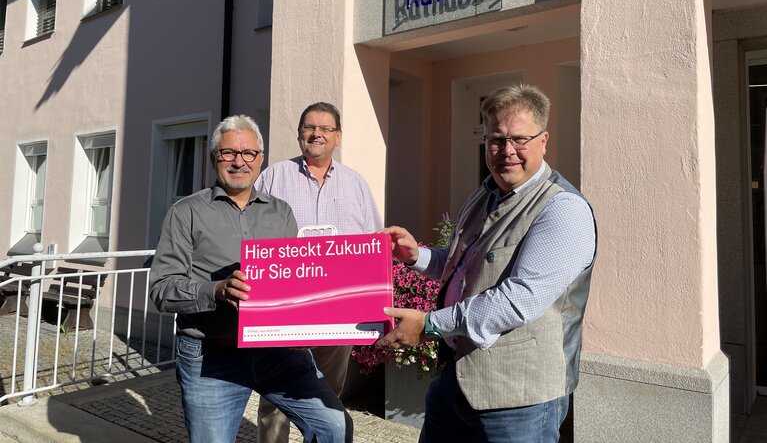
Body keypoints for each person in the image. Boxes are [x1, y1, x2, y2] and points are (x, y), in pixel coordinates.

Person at [376, 84, 597, 442]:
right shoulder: (485, 194)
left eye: (519, 139)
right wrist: (417, 256)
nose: (507, 151)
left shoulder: (562, 209)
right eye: (496, 139)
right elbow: (463, 267)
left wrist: (429, 324)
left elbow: (519, 300)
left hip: (519, 399)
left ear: (544, 140)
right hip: (457, 381)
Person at [149, 115, 352, 443]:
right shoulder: (186, 212)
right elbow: (161, 289)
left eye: (249, 154)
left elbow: (291, 283)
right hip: (212, 354)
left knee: (335, 426)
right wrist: (216, 290)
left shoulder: (281, 212)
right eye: (228, 153)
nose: (239, 162)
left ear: (260, 159)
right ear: (214, 156)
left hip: (277, 352)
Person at [254, 102, 383, 443]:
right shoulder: (273, 177)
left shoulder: (356, 184)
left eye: (325, 129)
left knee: (326, 396)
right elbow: (253, 236)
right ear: (299, 135)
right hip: (285, 309)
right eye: (310, 128)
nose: (317, 134)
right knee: (275, 400)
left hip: (338, 312)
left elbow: (373, 244)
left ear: (337, 137)